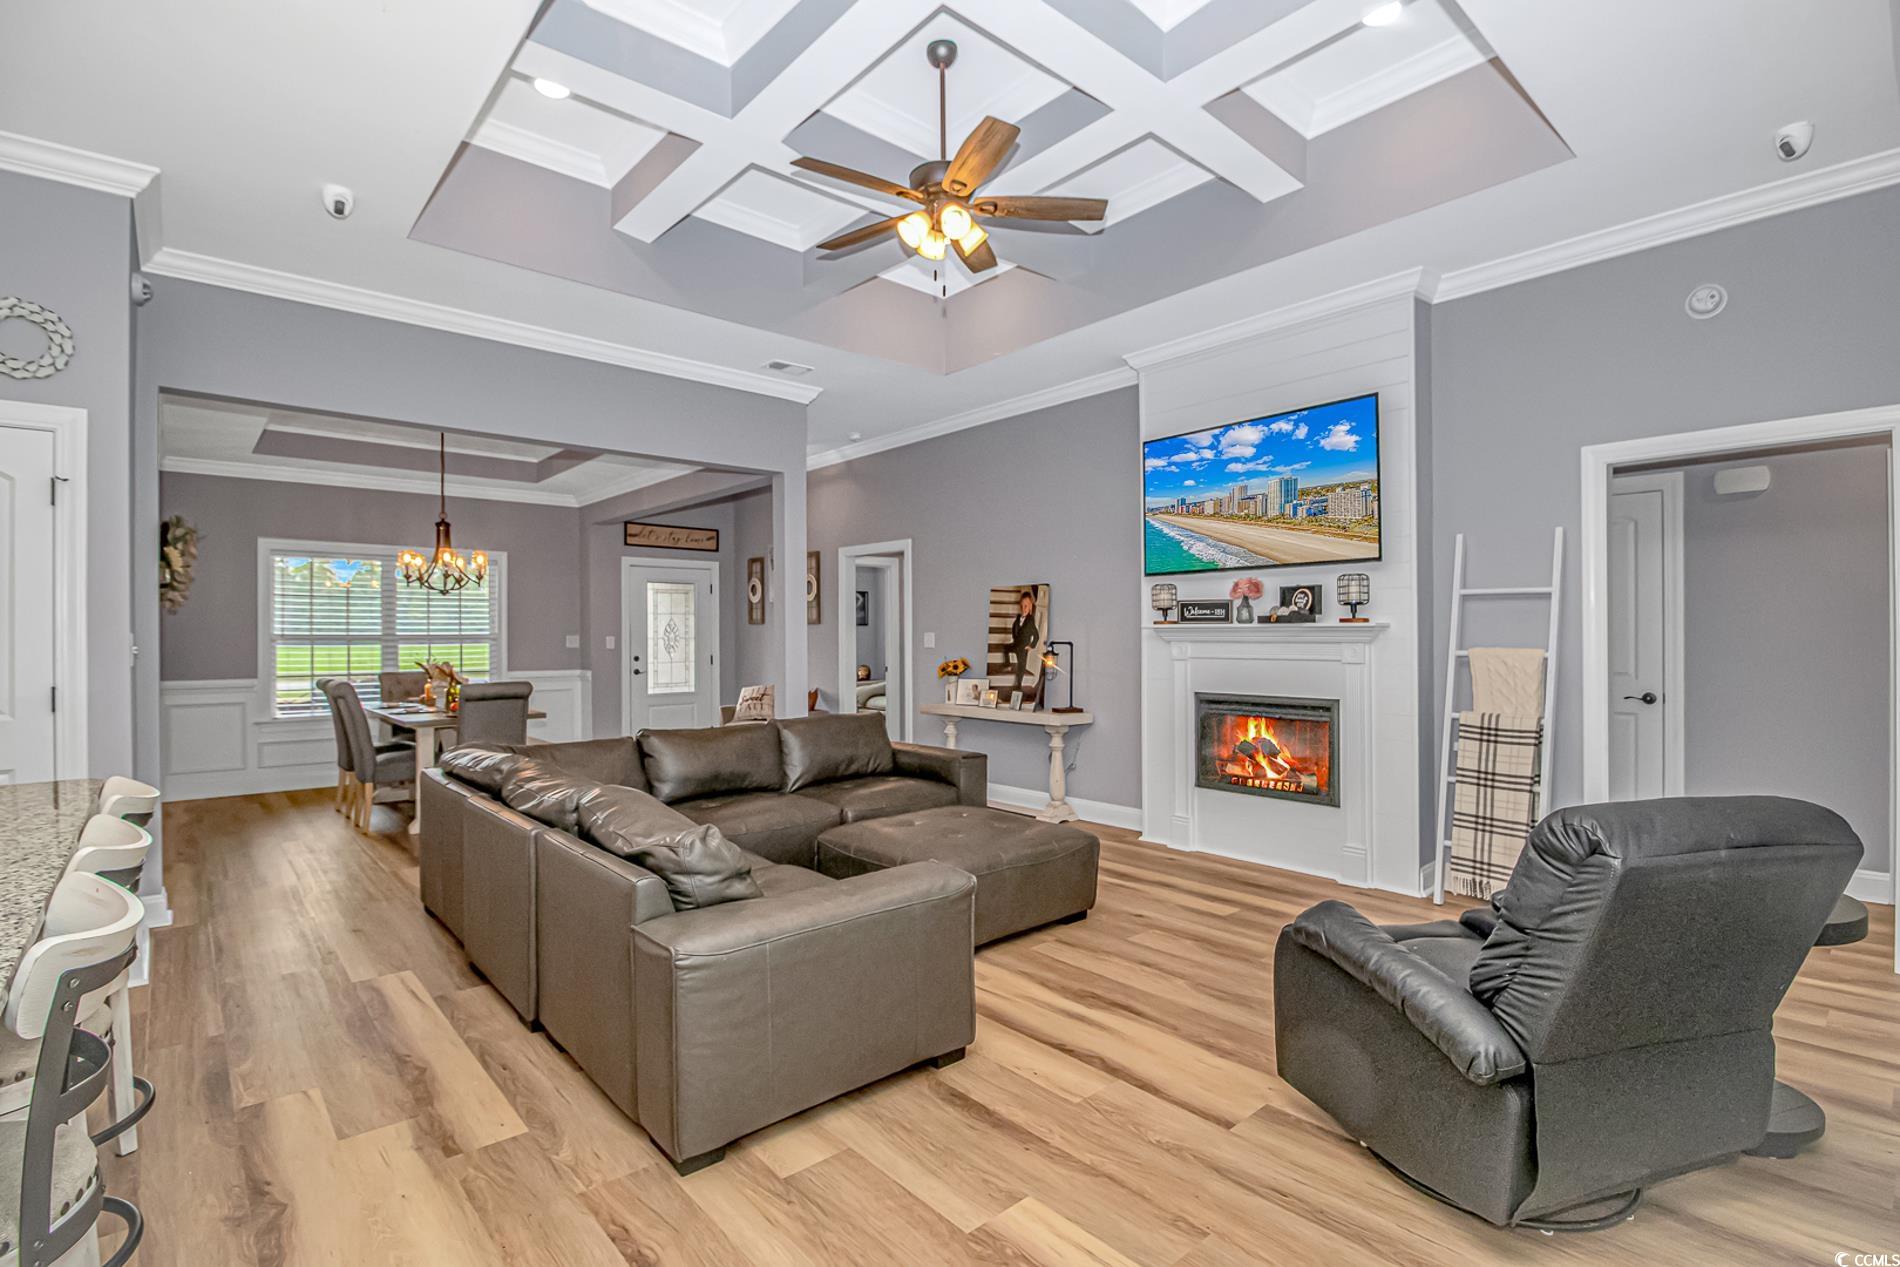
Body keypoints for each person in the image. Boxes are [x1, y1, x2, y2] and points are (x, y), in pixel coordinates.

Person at [1006, 589, 1041, 697]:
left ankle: (1018, 684)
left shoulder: (1030, 620)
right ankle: (1007, 664)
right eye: (1022, 606)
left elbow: (1036, 635)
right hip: (1016, 643)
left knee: (1021, 665)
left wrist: (1031, 646)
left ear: (1030, 607)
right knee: (1006, 648)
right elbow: (1014, 628)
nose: (1023, 608)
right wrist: (1014, 637)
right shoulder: (1018, 617)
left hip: (1023, 648)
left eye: (1026, 606)